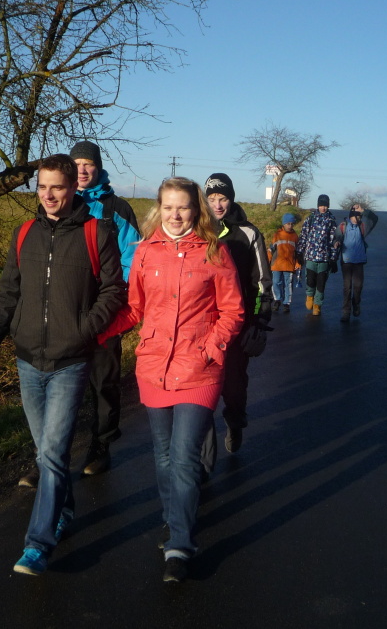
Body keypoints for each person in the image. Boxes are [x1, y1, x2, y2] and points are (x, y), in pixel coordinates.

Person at [0, 154, 126, 577]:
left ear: (74, 187)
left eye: (57, 187)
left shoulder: (98, 233)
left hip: (71, 362)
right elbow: (6, 298)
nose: (49, 195)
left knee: (54, 453)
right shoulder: (24, 235)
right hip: (27, 362)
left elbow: (114, 291)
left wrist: (83, 331)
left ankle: (37, 544)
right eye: (42, 187)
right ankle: (64, 509)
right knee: (45, 454)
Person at [98, 177, 244, 583]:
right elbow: (134, 308)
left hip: (199, 369)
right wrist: (98, 331)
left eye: (183, 207)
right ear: (157, 210)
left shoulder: (215, 252)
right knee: (162, 456)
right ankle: (173, 518)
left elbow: (233, 311)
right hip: (154, 368)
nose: (175, 215)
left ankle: (180, 542)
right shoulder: (144, 252)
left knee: (183, 458)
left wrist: (210, 348)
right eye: (168, 208)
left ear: (195, 210)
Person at [68, 140, 142, 477]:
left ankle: (101, 446)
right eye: (77, 163)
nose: (82, 170)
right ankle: (51, 454)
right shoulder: (61, 203)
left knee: (103, 383)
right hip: (66, 312)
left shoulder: (118, 209)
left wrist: (114, 306)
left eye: (88, 164)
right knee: (61, 386)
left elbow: (134, 262)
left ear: (98, 167)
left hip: (106, 313)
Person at [201, 172, 272, 464]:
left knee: (233, 386)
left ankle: (234, 421)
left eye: (223, 198)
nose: (218, 204)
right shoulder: (196, 231)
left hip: (236, 327)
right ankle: (203, 462)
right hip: (202, 328)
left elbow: (262, 283)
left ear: (232, 198)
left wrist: (257, 322)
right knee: (201, 392)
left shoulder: (248, 233)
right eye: (212, 198)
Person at [296, 194, 339, 315]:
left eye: (325, 205)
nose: (323, 208)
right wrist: (299, 252)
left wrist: (333, 258)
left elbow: (334, 240)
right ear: (318, 205)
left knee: (321, 283)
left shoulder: (331, 220)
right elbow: (303, 235)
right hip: (310, 256)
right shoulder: (311, 218)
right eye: (321, 205)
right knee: (310, 280)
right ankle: (309, 296)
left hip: (324, 257)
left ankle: (317, 304)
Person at [337, 204, 371, 322]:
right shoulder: (343, 226)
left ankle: (356, 304)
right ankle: (346, 312)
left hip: (359, 261)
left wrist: (363, 210)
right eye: (355, 215)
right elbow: (336, 237)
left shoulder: (363, 227)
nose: (358, 218)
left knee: (358, 286)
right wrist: (336, 242)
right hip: (346, 261)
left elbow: (374, 219)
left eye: (359, 216)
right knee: (347, 287)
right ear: (350, 216)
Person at [269, 212, 299, 313]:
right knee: (276, 282)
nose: (290, 226)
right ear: (283, 224)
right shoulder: (277, 235)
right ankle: (277, 299)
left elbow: (298, 252)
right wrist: (267, 260)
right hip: (277, 264)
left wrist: (298, 263)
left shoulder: (295, 236)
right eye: (288, 224)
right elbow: (271, 249)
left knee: (288, 284)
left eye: (292, 224)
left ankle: (286, 303)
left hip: (289, 265)